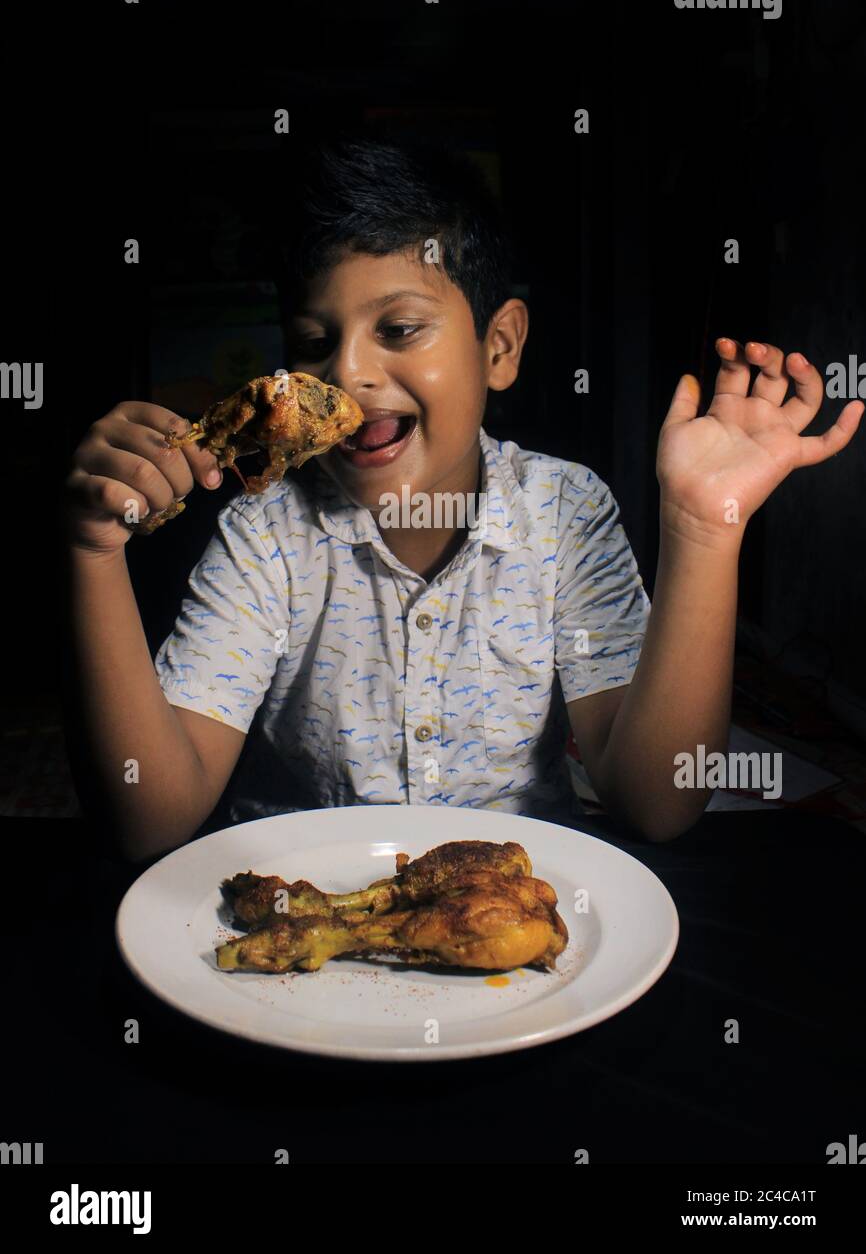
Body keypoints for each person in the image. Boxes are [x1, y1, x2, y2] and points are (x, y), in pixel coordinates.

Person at [62, 136, 863, 862]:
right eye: (313, 343)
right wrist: (93, 555)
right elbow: (148, 818)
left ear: (500, 347)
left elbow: (657, 803)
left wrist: (701, 529)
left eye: (400, 328)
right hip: (297, 937)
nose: (345, 374)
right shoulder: (264, 534)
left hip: (508, 930)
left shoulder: (563, 514)